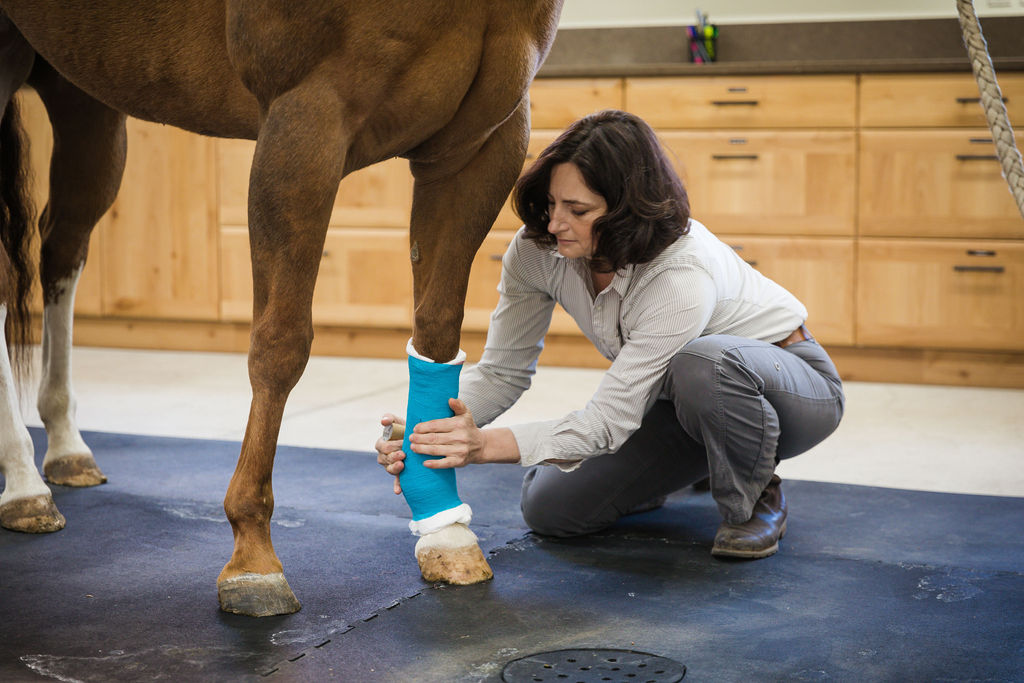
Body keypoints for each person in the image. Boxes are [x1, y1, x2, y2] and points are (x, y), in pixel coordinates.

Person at [376, 109, 844, 559]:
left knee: (704, 364)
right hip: (674, 404)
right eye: (551, 203)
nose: (556, 223)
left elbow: (608, 422)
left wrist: (482, 446)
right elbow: (503, 371)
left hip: (790, 388)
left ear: (627, 212)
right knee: (551, 510)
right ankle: (703, 461)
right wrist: (423, 430)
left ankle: (755, 498)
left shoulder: (680, 272)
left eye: (577, 209)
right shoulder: (539, 251)